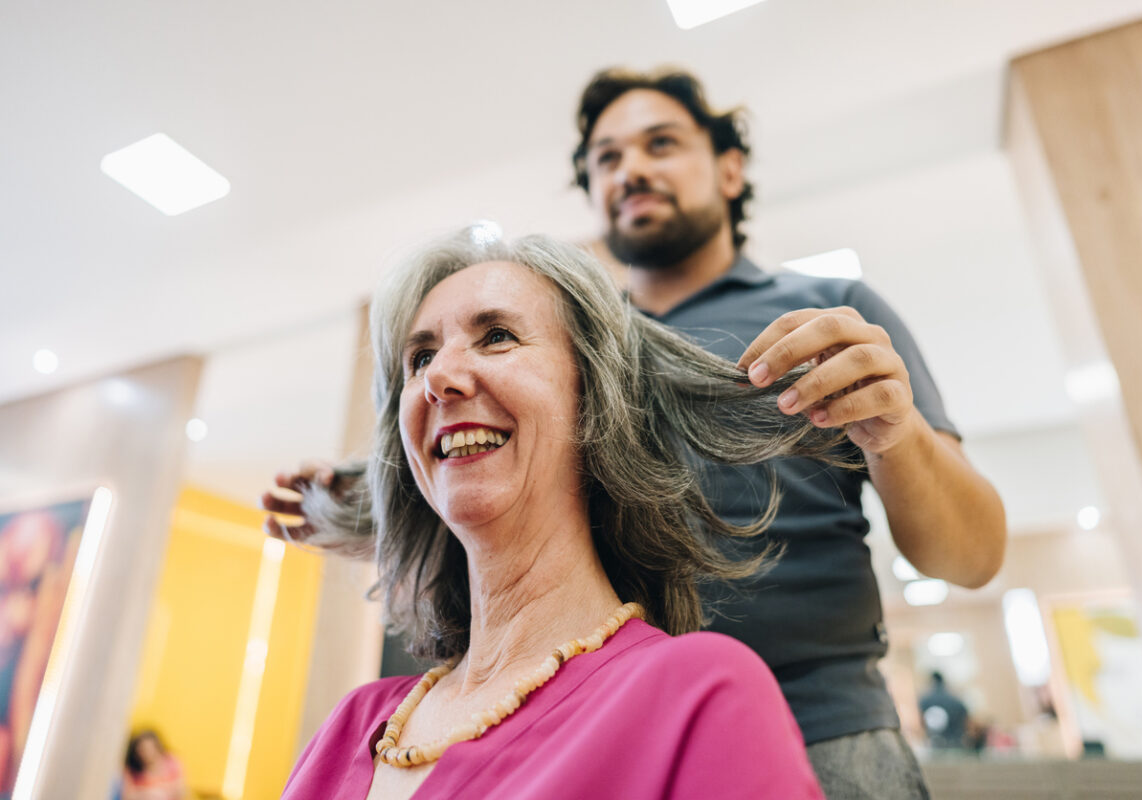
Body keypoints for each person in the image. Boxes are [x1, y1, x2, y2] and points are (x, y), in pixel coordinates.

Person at [266, 67, 1007, 798]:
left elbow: (970, 556)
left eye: (660, 144)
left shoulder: (829, 313)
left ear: (729, 168)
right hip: (614, 731)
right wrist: (356, 506)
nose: (631, 170)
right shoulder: (569, 345)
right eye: (607, 158)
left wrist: (896, 431)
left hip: (831, 736)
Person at [280, 230, 827, 799]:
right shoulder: (351, 725)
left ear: (595, 394)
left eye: (496, 336)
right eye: (420, 357)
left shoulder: (698, 692)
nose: (440, 377)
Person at [121, 730, 185, 800]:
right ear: (136, 754)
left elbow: (181, 791)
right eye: (143, 750)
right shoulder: (132, 771)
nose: (147, 753)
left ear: (157, 747)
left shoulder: (171, 761)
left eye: (150, 748)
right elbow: (127, 796)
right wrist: (146, 794)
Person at [918, 672, 969, 750]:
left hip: (933, 744)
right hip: (954, 743)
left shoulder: (925, 700)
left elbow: (921, 720)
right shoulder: (955, 700)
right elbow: (965, 715)